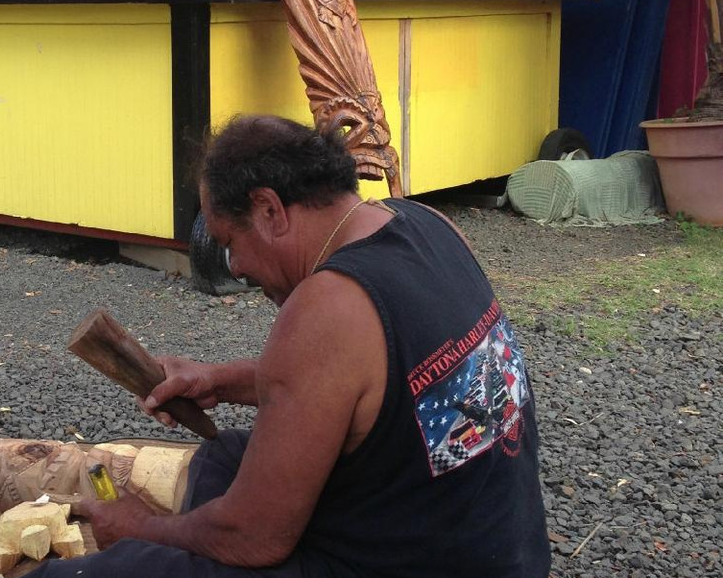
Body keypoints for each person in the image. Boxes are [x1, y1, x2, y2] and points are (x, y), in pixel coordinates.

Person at [32, 114, 551, 577]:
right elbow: (373, 386)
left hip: (408, 561)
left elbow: (254, 540)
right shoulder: (427, 224)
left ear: (269, 210)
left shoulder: (325, 307)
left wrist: (141, 528)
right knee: (227, 456)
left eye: (230, 242)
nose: (234, 267)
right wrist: (221, 379)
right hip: (500, 550)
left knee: (112, 568)